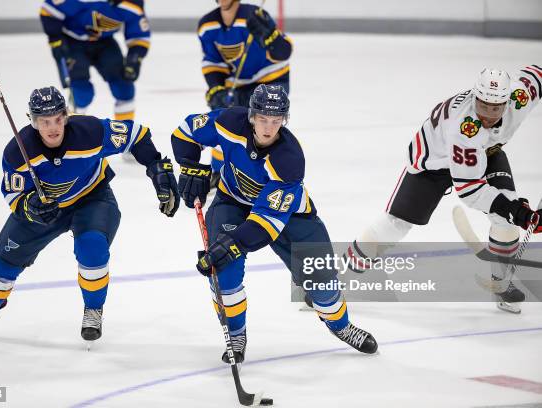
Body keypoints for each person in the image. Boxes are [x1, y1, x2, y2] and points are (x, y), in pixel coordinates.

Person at [0, 87, 179, 343]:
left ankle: (93, 309)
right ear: (33, 121)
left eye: (57, 119)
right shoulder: (18, 151)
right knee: (5, 261)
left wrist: (157, 168)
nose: (52, 128)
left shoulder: (90, 132)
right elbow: (12, 193)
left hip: (92, 197)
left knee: (92, 246)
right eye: (44, 122)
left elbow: (137, 135)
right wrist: (29, 206)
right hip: (45, 209)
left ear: (66, 115)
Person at [171, 84, 378, 363]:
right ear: (252, 116)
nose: (268, 128)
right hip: (232, 203)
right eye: (263, 119)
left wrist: (232, 245)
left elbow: (265, 223)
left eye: (276, 121)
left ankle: (341, 326)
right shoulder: (229, 121)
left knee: (322, 278)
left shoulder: (289, 159)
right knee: (225, 271)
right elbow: (185, 131)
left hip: (289, 215)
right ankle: (236, 335)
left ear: (284, 120)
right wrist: (190, 165)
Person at [343, 66, 542, 313]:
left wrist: (513, 211)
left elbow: (537, 74)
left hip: (486, 152)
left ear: (507, 101)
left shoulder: (519, 97)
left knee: (506, 219)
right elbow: (470, 190)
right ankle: (334, 283)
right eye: (482, 106)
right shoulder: (464, 129)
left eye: (495, 108)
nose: (488, 115)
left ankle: (499, 284)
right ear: (475, 97)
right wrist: (517, 211)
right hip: (433, 162)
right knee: (395, 224)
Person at [197, 0, 293, 186]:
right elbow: (212, 61)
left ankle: (268, 175)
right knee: (224, 119)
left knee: (262, 125)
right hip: (239, 81)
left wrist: (271, 38)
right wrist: (216, 87)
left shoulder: (255, 16)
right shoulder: (207, 25)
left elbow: (284, 51)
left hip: (271, 77)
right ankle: (219, 170)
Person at [40, 0, 150, 120]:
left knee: (124, 87)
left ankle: (126, 130)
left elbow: (138, 32)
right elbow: (49, 12)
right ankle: (74, 128)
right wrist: (56, 38)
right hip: (72, 43)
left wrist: (135, 56)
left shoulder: (132, 3)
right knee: (82, 93)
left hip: (105, 43)